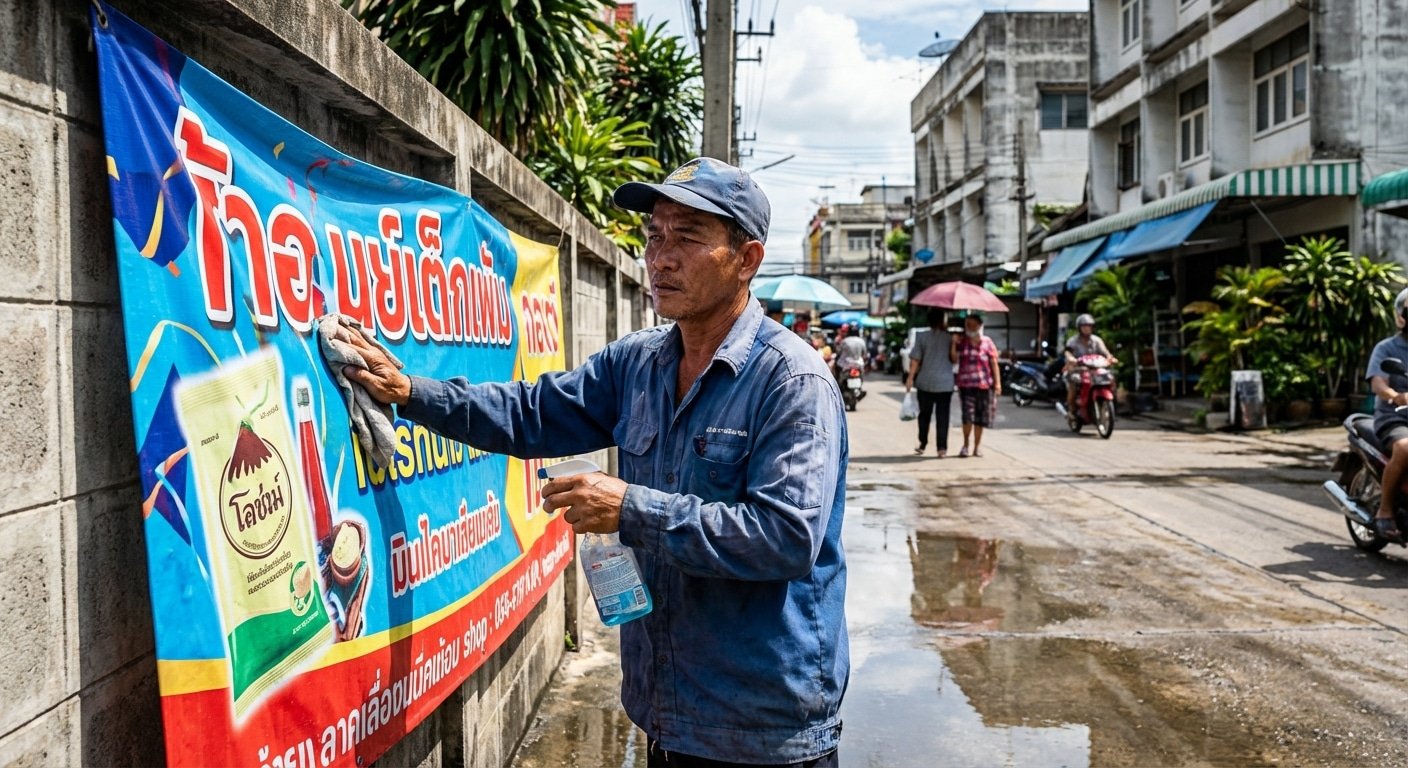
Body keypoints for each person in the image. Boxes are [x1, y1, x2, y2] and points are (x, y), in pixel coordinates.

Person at [343, 156, 849, 767]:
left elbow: (785, 537)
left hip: (763, 732)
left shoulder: (792, 381)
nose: (661, 257)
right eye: (655, 235)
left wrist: (630, 507)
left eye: (687, 238)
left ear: (747, 260)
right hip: (665, 709)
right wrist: (412, 392)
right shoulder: (638, 364)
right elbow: (533, 412)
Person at [1365, 287, 1408, 540]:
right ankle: (1385, 510)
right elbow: (1377, 383)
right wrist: (1394, 395)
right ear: (1401, 316)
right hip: (1395, 418)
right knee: (1405, 448)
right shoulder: (1387, 347)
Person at [905, 308, 956, 456]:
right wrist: (953, 343)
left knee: (924, 415)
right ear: (942, 320)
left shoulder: (921, 336)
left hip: (925, 382)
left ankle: (922, 443)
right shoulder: (949, 338)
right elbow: (954, 359)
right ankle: (942, 448)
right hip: (945, 384)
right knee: (943, 416)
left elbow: (915, 360)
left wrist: (910, 378)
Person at [953, 313, 1001, 457]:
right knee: (967, 416)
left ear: (979, 326)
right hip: (965, 384)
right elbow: (954, 359)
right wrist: (952, 344)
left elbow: (994, 363)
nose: (970, 327)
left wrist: (998, 383)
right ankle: (966, 445)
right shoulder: (961, 341)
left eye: (973, 325)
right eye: (968, 325)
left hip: (984, 385)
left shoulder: (987, 342)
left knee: (981, 418)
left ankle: (977, 447)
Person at [1062, 313, 1118, 418]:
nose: (1087, 329)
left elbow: (1105, 352)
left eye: (1089, 326)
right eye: (1084, 326)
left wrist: (1110, 358)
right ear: (1079, 328)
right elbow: (1067, 352)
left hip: (1095, 369)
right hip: (1078, 369)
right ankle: (1072, 409)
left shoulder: (1097, 340)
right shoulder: (1073, 341)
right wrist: (1071, 359)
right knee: (1074, 383)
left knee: (1111, 378)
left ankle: (1112, 408)